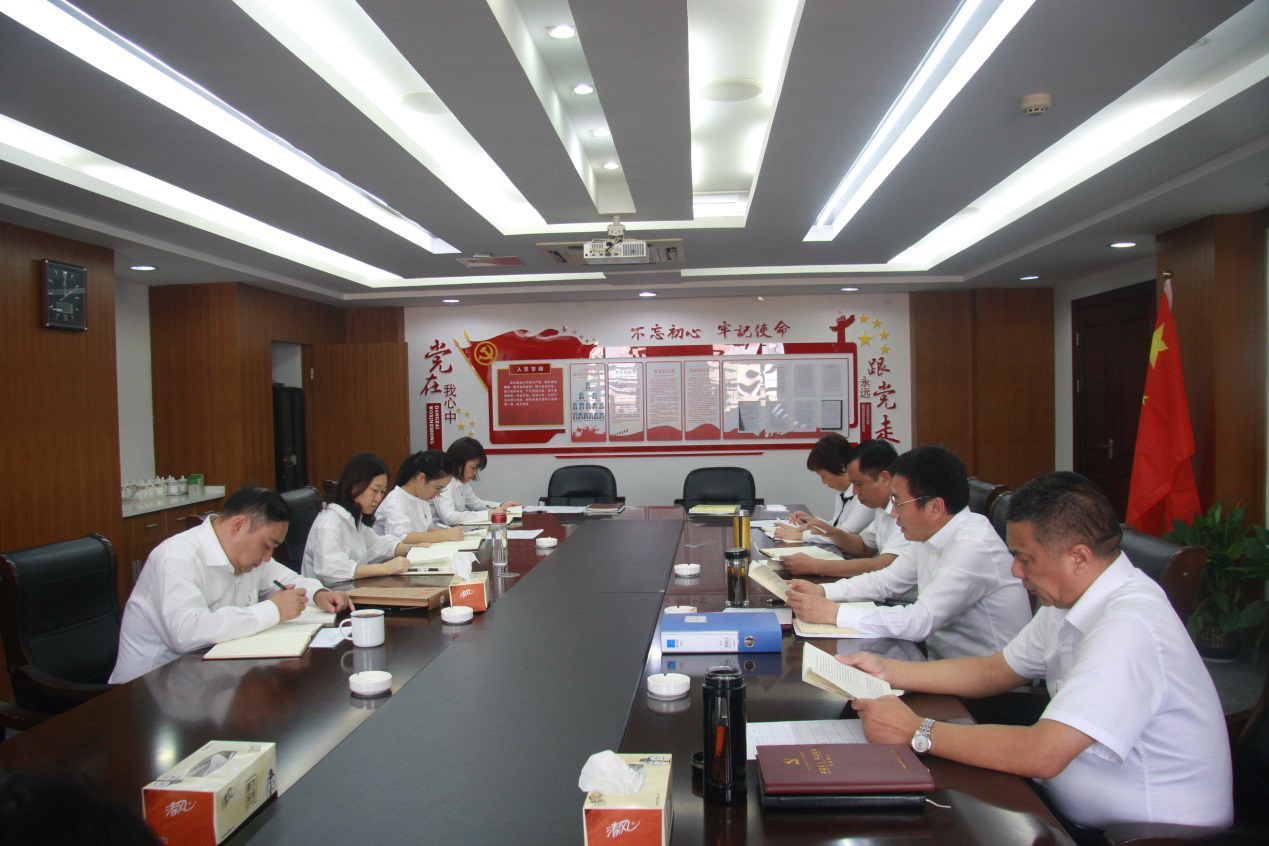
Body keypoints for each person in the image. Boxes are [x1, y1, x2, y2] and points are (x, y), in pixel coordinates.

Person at [839, 471, 1234, 831]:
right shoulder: (1071, 598)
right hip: (1054, 802)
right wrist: (887, 670)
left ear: (1078, 557)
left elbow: (1043, 753)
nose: (1015, 572)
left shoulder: (1129, 626)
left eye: (1024, 559)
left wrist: (915, 730)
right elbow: (994, 671)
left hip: (1145, 833)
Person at [785, 445, 1030, 658]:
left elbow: (920, 620)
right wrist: (822, 591)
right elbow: (886, 581)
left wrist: (834, 613)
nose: (893, 513)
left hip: (982, 684)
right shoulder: (928, 535)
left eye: (898, 502)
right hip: (936, 662)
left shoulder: (972, 546)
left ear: (935, 507)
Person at [110, 485, 350, 684]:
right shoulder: (177, 558)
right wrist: (272, 610)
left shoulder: (250, 557)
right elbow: (186, 633)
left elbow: (290, 580)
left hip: (212, 675)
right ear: (238, 525)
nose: (268, 557)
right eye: (267, 546)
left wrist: (318, 593)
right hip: (152, 688)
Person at [779, 440, 912, 581]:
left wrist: (816, 566)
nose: (854, 491)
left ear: (884, 478)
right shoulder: (881, 508)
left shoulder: (905, 512)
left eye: (858, 484)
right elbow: (864, 547)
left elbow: (885, 565)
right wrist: (833, 533)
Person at [301, 452, 438, 586]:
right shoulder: (330, 522)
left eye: (382, 492)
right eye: (374, 490)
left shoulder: (354, 519)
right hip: (330, 596)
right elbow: (331, 570)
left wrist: (412, 549)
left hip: (353, 590)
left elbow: (378, 545)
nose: (378, 498)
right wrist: (384, 568)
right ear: (354, 485)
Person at [776, 434, 873, 545]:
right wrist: (813, 521)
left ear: (842, 466)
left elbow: (844, 534)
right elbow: (836, 527)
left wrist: (800, 535)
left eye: (823, 476)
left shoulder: (865, 496)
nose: (823, 482)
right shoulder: (842, 492)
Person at [374, 450, 464, 542]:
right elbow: (401, 538)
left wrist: (451, 533)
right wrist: (444, 535)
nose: (438, 494)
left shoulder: (422, 499)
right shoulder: (395, 501)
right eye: (438, 488)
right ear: (421, 478)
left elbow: (426, 529)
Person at [432, 437, 520, 527]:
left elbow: (476, 504)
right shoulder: (444, 482)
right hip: (437, 532)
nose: (474, 473)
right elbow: (449, 517)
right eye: (473, 468)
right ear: (459, 462)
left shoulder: (461, 481)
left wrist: (501, 506)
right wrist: (487, 515)